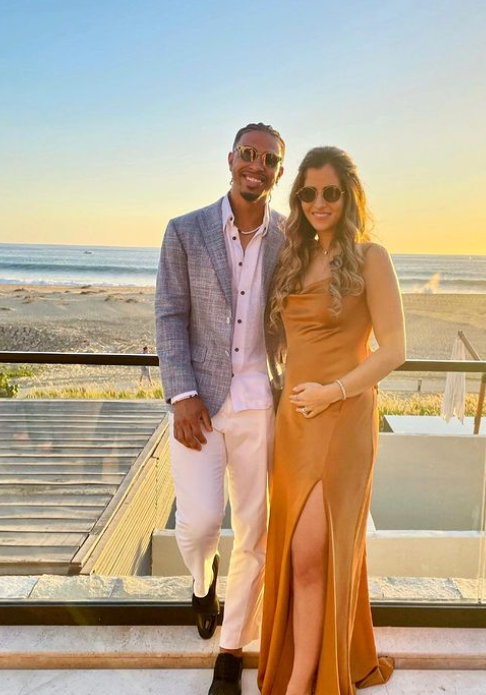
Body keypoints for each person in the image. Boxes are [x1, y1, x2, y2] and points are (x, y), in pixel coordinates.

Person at [258, 146, 406, 695]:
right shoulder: (293, 258)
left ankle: (301, 685)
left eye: (331, 192)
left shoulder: (372, 258)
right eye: (309, 193)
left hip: (342, 416)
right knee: (297, 547)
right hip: (295, 423)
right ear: (298, 199)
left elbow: (394, 350)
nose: (319, 202)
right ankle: (319, 660)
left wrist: (332, 392)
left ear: (349, 197)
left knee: (313, 554)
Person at [155, 123, 286, 695]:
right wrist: (181, 394)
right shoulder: (184, 231)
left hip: (261, 404)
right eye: (248, 154)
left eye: (270, 159)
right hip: (199, 406)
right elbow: (169, 315)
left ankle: (230, 651)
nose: (256, 165)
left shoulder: (291, 237)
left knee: (254, 531)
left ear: (279, 172)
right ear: (230, 159)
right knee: (202, 521)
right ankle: (201, 576)